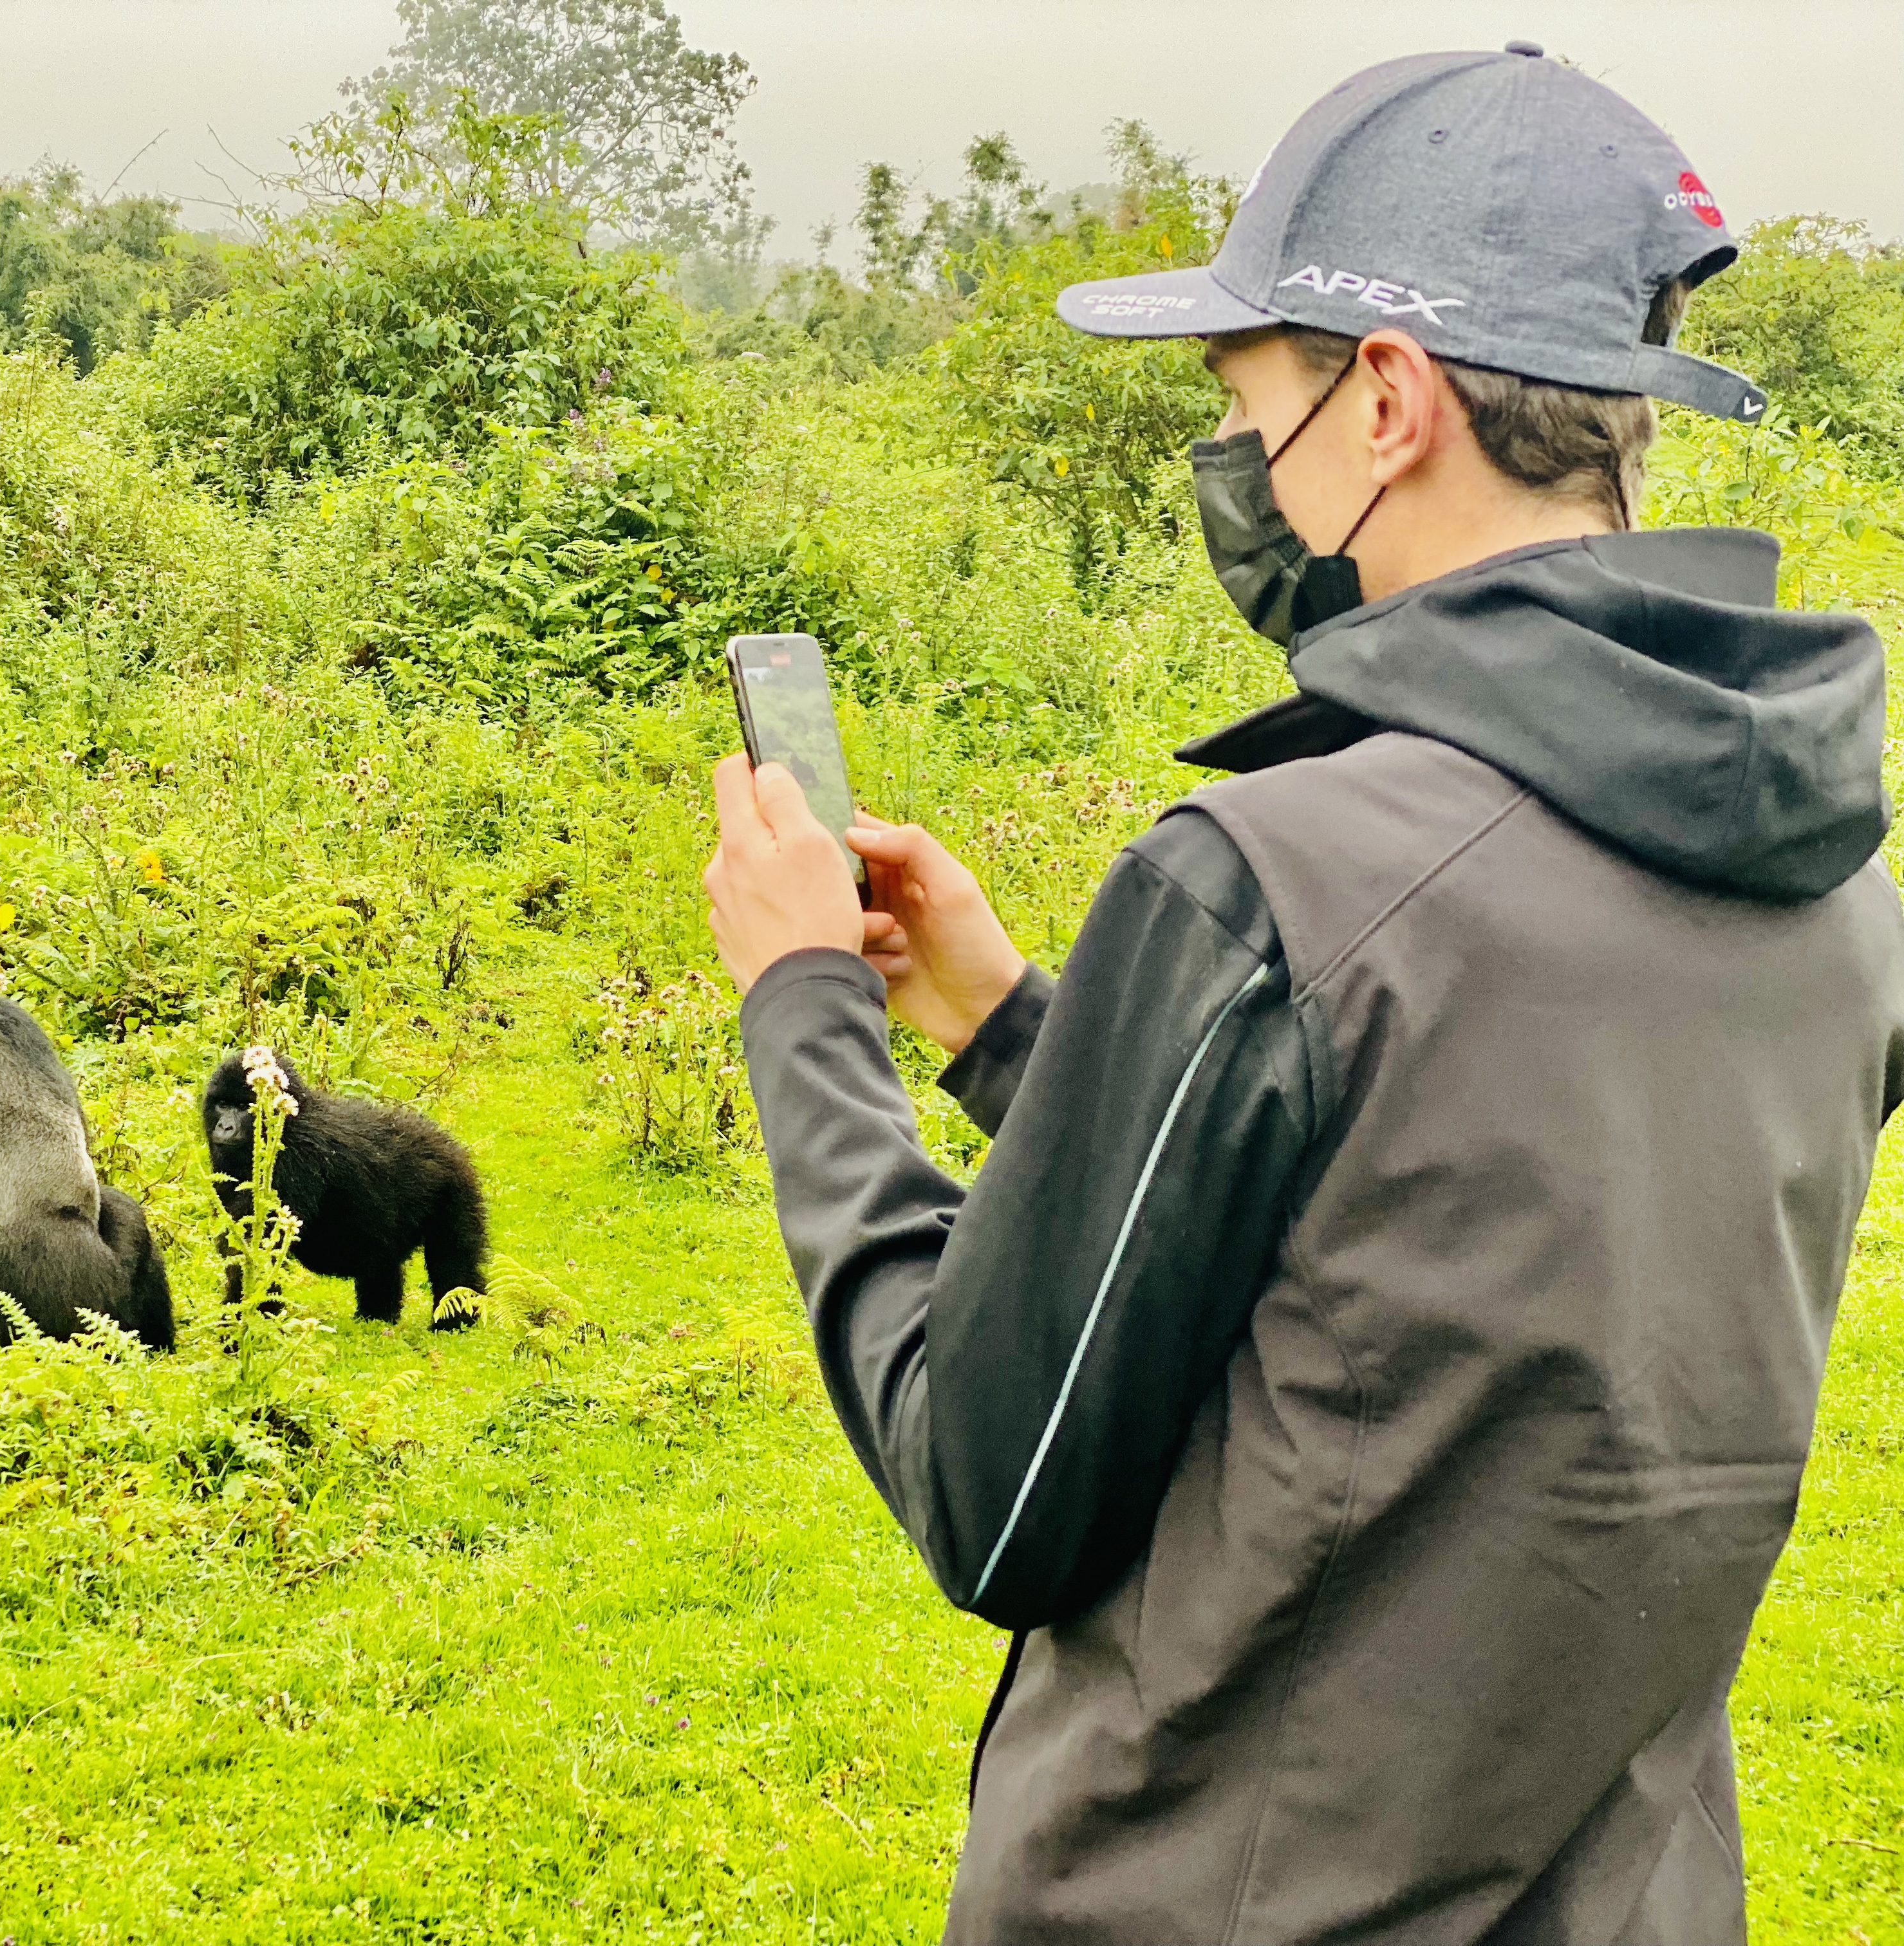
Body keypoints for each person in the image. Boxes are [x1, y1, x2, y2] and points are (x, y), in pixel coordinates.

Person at [702, 44, 1904, 1944]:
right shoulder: (1841, 897)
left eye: (1251, 396)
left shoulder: (1273, 886)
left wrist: (807, 1013)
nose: (1240, 463)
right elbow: (1405, 1242)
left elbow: (991, 1494)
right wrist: (1017, 1024)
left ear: (1392, 401)